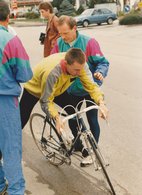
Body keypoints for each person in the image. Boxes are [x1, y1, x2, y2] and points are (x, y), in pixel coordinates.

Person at [20, 48, 108, 165]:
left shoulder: (80, 66)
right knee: (20, 121)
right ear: (66, 64)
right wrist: (56, 118)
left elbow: (92, 86)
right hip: (35, 89)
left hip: (57, 88)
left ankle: (77, 144)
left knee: (73, 111)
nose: (79, 73)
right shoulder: (53, 73)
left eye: (80, 69)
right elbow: (46, 101)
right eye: (76, 70)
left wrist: (101, 103)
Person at [51, 15, 109, 146]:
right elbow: (53, 63)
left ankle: (93, 152)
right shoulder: (59, 43)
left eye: (65, 33)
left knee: (92, 120)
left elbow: (103, 62)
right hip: (71, 89)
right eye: (60, 33)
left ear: (75, 28)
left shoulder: (89, 42)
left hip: (89, 87)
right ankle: (78, 145)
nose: (63, 37)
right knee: (73, 118)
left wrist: (100, 72)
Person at [0, 1, 33, 194]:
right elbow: (24, 74)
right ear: (9, 16)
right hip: (4, 101)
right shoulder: (9, 40)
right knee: (11, 147)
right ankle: (15, 190)